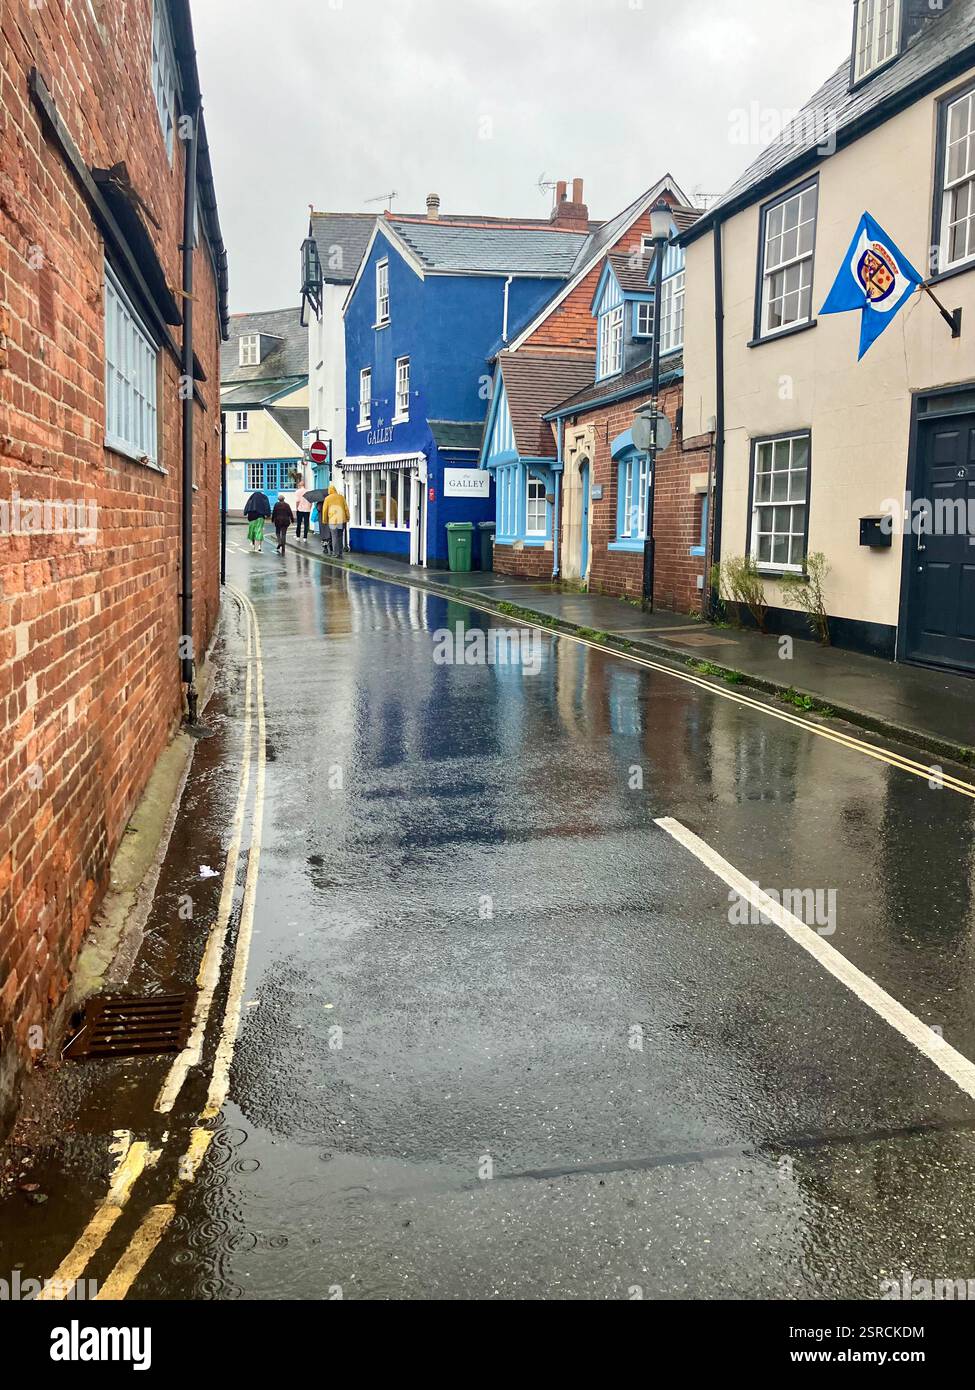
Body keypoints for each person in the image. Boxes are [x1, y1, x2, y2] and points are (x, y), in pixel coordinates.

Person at [321, 483, 350, 559]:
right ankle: (340, 552)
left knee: (334, 536)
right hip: (341, 519)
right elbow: (346, 508)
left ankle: (335, 553)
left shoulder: (327, 499)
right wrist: (348, 517)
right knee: (340, 536)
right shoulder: (341, 497)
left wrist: (324, 520)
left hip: (333, 520)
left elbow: (325, 510)